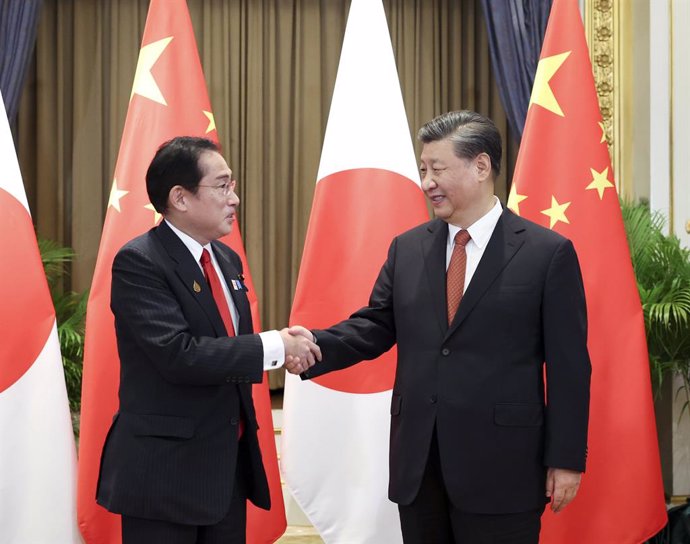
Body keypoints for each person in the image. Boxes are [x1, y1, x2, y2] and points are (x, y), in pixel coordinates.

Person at [289, 111, 591, 543]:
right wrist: (313, 346)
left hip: (503, 468)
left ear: (481, 166)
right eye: (423, 169)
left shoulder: (547, 254)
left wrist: (565, 459)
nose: (427, 181)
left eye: (438, 169)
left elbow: (569, 368)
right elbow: (374, 326)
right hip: (420, 465)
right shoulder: (408, 248)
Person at [96, 136, 320, 544]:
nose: (234, 198)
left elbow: (226, 344)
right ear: (180, 198)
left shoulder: (226, 259)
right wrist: (274, 347)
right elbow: (177, 354)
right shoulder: (140, 261)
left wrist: (281, 349)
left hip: (225, 469)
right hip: (164, 476)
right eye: (222, 186)